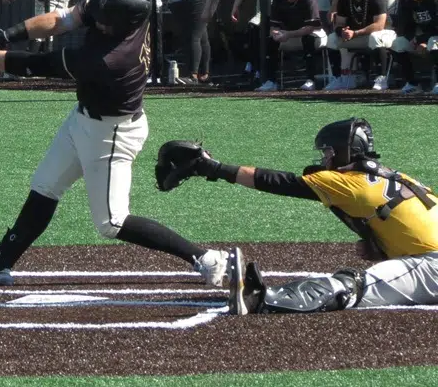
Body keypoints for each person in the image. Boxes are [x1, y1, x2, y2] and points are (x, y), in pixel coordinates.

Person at [0, 0, 229, 287]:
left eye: (105, 20)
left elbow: (36, 64)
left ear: (120, 24)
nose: (97, 19)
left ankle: (205, 258)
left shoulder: (109, 60)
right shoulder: (119, 5)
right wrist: (3, 36)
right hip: (83, 119)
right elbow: (62, 20)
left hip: (112, 133)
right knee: (45, 186)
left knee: (111, 222)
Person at [155, 118, 438, 315]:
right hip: (428, 260)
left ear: (343, 152)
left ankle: (263, 300)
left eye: (328, 152)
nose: (325, 159)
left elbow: (279, 182)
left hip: (433, 265)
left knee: (354, 285)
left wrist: (215, 168)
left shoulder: (351, 182)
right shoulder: (395, 177)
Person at [323, 0, 396, 91]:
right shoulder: (344, 0)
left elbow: (379, 25)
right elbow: (339, 23)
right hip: (355, 34)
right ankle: (338, 78)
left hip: (381, 33)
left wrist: (355, 33)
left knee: (375, 37)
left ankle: (381, 77)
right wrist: (342, 31)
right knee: (331, 39)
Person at [255, 0, 327, 92]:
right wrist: (275, 34)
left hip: (314, 32)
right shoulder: (278, 0)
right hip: (288, 34)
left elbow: (310, 27)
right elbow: (274, 25)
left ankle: (311, 80)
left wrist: (288, 34)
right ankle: (271, 81)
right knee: (270, 41)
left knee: (308, 38)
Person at [390, 0, 438, 95]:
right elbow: (406, 28)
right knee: (397, 44)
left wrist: (422, 40)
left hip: (433, 37)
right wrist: (414, 40)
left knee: (434, 42)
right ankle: (412, 83)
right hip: (422, 39)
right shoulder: (408, 4)